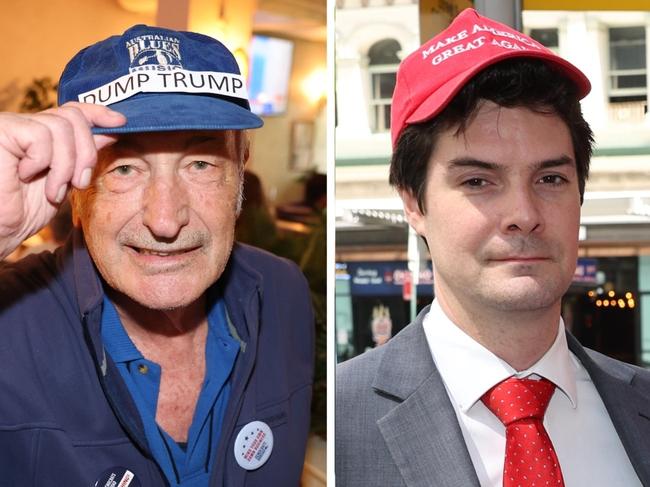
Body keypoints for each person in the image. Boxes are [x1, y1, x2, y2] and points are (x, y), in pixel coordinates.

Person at [336, 9, 650, 487]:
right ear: (414, 204)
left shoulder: (641, 406)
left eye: (550, 178)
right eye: (478, 180)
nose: (523, 212)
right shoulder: (339, 423)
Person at [0, 24, 313, 486]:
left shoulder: (283, 291)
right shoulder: (10, 321)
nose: (166, 221)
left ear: (242, 168)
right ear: (72, 186)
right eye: (125, 168)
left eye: (201, 164)